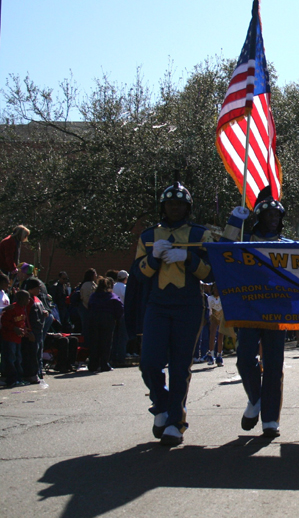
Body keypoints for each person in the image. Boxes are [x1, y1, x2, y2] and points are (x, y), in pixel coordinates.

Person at [132, 182, 214, 447]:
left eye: (180, 204)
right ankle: (162, 406)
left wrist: (188, 258)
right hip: (157, 304)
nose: (175, 208)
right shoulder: (148, 236)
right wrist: (153, 258)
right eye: (170, 204)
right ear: (163, 207)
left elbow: (211, 273)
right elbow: (138, 274)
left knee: (180, 367)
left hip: (189, 305)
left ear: (187, 207)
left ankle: (176, 423)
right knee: (149, 362)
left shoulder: (200, 234)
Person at [221, 196, 290, 438]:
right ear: (259, 217)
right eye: (268, 215)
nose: (273, 219)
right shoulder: (245, 240)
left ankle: (271, 419)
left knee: (274, 365)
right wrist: (234, 220)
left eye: (277, 216)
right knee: (244, 359)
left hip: (276, 310)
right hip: (248, 309)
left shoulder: (288, 244)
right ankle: (255, 399)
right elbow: (221, 251)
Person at [85, 277, 123, 373]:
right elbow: (119, 307)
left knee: (94, 342)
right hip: (107, 319)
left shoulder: (94, 296)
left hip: (94, 319)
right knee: (106, 342)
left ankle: (93, 364)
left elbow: (89, 306)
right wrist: (117, 318)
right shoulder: (111, 296)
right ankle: (104, 364)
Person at [2, 290, 32, 387]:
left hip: (18, 338)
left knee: (18, 359)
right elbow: (4, 322)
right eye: (27, 298)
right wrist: (15, 328)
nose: (29, 300)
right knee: (11, 359)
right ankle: (11, 379)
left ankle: (19, 378)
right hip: (10, 337)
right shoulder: (12, 308)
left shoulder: (23, 308)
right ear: (21, 299)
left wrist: (25, 331)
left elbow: (22, 322)